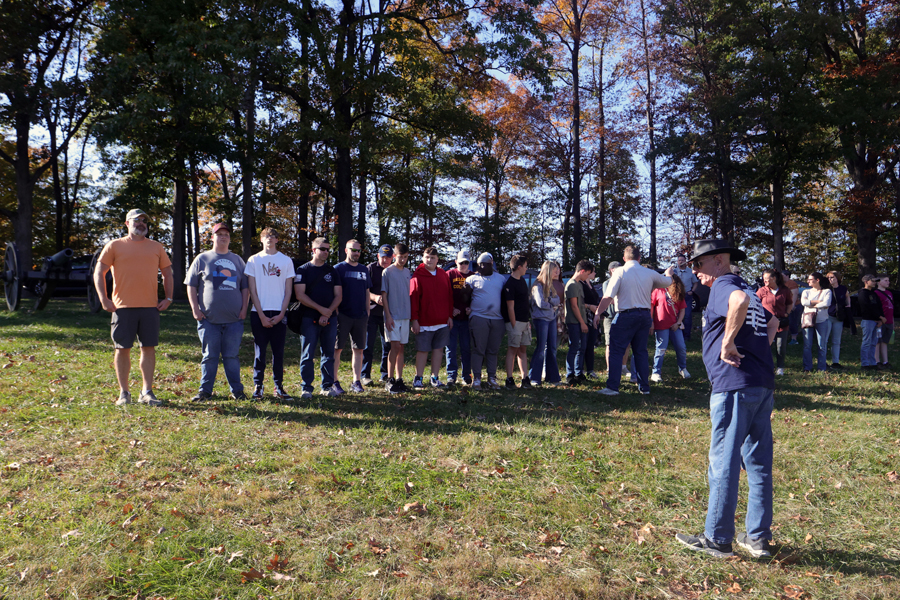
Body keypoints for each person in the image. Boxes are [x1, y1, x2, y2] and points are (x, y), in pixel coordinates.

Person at [675, 239, 777, 560]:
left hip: (734, 386)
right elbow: (772, 322)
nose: (695, 271)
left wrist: (728, 343)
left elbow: (737, 302)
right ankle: (757, 539)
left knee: (724, 462)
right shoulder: (747, 286)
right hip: (761, 385)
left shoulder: (725, 284)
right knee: (758, 465)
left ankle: (717, 539)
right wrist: (757, 350)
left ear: (718, 261)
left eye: (698, 264)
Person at [94, 208, 174, 407]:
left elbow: (168, 274)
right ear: (127, 223)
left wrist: (169, 298)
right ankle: (124, 393)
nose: (141, 223)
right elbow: (99, 272)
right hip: (122, 308)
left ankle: (147, 392)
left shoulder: (156, 247)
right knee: (122, 349)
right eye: (136, 220)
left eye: (144, 221)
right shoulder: (114, 246)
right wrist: (103, 298)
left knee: (148, 348)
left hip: (150, 308)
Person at [595, 245, 672, 396]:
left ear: (624, 258)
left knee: (616, 351)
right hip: (644, 316)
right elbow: (667, 282)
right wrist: (669, 273)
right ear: (639, 258)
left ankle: (612, 387)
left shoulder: (620, 271)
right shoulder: (649, 273)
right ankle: (644, 387)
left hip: (625, 315)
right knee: (641, 352)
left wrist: (598, 312)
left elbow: (608, 296)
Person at [185, 223, 249, 402]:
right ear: (212, 237)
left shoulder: (237, 260)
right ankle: (205, 391)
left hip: (234, 320)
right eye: (219, 234)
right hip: (208, 319)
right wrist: (195, 309)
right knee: (209, 356)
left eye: (226, 234)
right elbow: (191, 285)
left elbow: (245, 287)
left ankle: (237, 391)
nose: (223, 237)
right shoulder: (202, 258)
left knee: (231, 356)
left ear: (229, 238)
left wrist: (244, 308)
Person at [246, 228, 295, 401]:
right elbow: (252, 290)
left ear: (277, 240)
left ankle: (279, 387)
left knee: (278, 352)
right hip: (259, 312)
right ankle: (258, 386)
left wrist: (282, 313)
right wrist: (261, 315)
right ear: (261, 239)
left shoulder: (286, 260)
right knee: (260, 352)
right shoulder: (253, 260)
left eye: (273, 236)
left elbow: (289, 291)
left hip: (279, 312)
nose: (270, 239)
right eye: (267, 236)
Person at [294, 237, 342, 398]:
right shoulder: (303, 270)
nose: (326, 252)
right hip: (308, 318)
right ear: (313, 250)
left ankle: (327, 386)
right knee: (307, 354)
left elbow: (339, 296)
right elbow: (300, 295)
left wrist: (328, 312)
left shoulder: (332, 271)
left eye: (328, 249)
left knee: (328, 353)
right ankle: (306, 387)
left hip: (330, 318)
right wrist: (321, 310)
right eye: (322, 249)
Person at [410, 247, 454, 388]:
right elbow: (414, 299)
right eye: (427, 257)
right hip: (424, 322)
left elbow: (449, 296)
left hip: (442, 321)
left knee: (438, 350)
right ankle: (418, 378)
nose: (429, 260)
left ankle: (434, 377)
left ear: (437, 259)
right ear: (423, 258)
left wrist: (449, 316)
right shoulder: (417, 276)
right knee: (422, 350)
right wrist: (414, 320)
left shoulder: (443, 274)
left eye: (433, 258)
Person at [334, 239, 372, 393]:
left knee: (359, 349)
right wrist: (336, 313)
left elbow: (367, 292)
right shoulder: (338, 269)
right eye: (353, 250)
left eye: (358, 250)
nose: (356, 253)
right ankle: (334, 381)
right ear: (346, 250)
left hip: (360, 316)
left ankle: (356, 381)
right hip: (342, 315)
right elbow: (334, 293)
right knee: (337, 349)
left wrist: (367, 312)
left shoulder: (364, 270)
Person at [466, 253, 505, 390]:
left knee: (493, 350)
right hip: (478, 318)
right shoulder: (471, 279)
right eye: (479, 264)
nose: (481, 267)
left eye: (485, 264)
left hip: (497, 320)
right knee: (478, 349)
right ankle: (476, 378)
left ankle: (492, 378)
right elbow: (464, 297)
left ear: (491, 264)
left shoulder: (501, 279)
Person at [382, 243, 412, 393]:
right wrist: (388, 315)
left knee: (401, 348)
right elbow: (384, 295)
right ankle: (390, 378)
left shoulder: (408, 272)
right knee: (393, 347)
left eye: (405, 257)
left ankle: (399, 379)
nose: (403, 260)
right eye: (400, 257)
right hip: (392, 316)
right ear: (394, 256)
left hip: (405, 316)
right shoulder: (387, 272)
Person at [361, 245, 393, 385]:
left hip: (389, 314)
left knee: (388, 345)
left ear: (393, 258)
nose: (385, 260)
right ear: (378, 256)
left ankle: (385, 374)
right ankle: (365, 375)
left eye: (388, 257)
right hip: (371, 313)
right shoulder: (370, 269)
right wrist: (374, 297)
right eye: (383, 257)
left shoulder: (394, 270)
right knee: (368, 345)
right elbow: (363, 290)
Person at [649, 273, 689, 382]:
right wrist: (651, 322)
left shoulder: (677, 291)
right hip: (661, 325)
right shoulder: (658, 290)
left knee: (681, 347)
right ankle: (656, 372)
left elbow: (682, 309)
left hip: (675, 325)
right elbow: (651, 306)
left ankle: (682, 368)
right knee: (661, 349)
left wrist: (679, 323)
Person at [529, 260, 562, 387]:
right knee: (541, 348)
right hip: (541, 319)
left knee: (552, 348)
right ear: (548, 271)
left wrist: (549, 301)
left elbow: (557, 299)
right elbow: (540, 303)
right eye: (555, 270)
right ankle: (534, 377)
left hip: (551, 318)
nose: (557, 272)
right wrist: (551, 303)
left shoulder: (552, 286)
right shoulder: (538, 285)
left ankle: (552, 377)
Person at [502, 254, 532, 388]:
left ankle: (525, 378)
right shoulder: (510, 284)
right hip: (515, 322)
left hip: (525, 321)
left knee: (523, 350)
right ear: (519, 267)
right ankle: (509, 379)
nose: (526, 269)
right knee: (513, 349)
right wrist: (513, 324)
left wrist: (527, 321)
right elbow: (510, 307)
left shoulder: (522, 281)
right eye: (525, 266)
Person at [445, 250, 474, 385]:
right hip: (452, 318)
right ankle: (451, 375)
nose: (463, 265)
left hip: (466, 319)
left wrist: (471, 308)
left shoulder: (473, 276)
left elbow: (477, 296)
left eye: (466, 263)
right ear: (456, 262)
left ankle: (467, 374)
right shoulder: (450, 274)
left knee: (466, 347)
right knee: (450, 348)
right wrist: (450, 309)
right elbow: (443, 294)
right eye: (461, 262)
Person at [757, 269, 792, 375]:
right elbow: (755, 303)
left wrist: (787, 313)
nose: (765, 281)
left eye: (767, 279)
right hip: (766, 323)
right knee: (766, 345)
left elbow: (789, 303)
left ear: (774, 278)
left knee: (781, 346)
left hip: (781, 322)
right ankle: (765, 366)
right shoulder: (762, 290)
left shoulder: (785, 290)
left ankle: (780, 367)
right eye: (764, 279)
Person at [565, 260, 594, 385]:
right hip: (574, 321)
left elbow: (581, 305)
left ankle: (578, 373)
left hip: (582, 320)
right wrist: (582, 322)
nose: (587, 277)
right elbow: (574, 306)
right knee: (574, 347)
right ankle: (570, 374)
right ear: (582, 271)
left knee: (582, 347)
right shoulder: (571, 285)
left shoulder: (579, 284)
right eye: (587, 274)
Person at [601, 261, 631, 380]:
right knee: (609, 343)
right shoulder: (606, 283)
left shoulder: (625, 281)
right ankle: (609, 368)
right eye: (618, 268)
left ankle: (623, 366)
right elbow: (609, 298)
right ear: (612, 270)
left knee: (626, 343)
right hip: (609, 317)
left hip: (623, 316)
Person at [800, 272, 832, 372]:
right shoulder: (806, 292)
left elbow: (827, 303)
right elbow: (803, 302)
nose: (808, 281)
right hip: (807, 320)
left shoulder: (827, 291)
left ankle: (821, 368)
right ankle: (807, 367)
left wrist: (811, 304)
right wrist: (819, 302)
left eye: (810, 279)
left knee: (822, 345)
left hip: (822, 320)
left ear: (817, 280)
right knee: (807, 345)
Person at [858, 274, 885, 370]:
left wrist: (881, 319)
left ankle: (872, 363)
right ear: (866, 282)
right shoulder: (862, 293)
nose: (874, 283)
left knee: (874, 342)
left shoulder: (874, 294)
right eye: (872, 281)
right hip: (868, 321)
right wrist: (879, 316)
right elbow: (866, 307)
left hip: (876, 322)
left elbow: (879, 306)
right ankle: (865, 364)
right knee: (866, 342)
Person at [825, 271, 851, 369]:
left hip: (839, 317)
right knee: (824, 340)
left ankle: (835, 362)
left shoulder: (843, 288)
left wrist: (848, 305)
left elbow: (847, 296)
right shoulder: (826, 289)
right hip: (827, 316)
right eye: (828, 278)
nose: (830, 279)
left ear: (837, 278)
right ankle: (823, 361)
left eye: (832, 277)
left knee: (836, 340)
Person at [674, 254, 699, 341]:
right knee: (675, 315)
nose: (680, 262)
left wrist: (692, 291)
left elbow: (695, 282)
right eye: (679, 260)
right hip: (676, 296)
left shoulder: (690, 271)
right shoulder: (674, 271)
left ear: (685, 262)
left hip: (687, 296)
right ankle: (675, 336)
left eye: (682, 260)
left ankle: (686, 336)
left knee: (687, 316)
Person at [581, 271, 601, 378]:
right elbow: (578, 302)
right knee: (583, 344)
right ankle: (581, 370)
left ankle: (590, 369)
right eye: (593, 271)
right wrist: (589, 306)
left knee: (591, 344)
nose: (594, 273)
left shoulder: (591, 285)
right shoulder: (581, 285)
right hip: (585, 317)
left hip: (593, 317)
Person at [875, 273, 894, 370]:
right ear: (879, 282)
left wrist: (892, 321)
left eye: (888, 280)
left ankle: (885, 361)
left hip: (889, 321)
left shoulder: (890, 293)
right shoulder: (876, 293)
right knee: (878, 341)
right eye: (885, 280)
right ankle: (877, 361)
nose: (888, 282)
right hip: (880, 321)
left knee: (885, 341)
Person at [783, 270, 801, 345]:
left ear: (787, 276)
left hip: (794, 305)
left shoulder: (792, 283)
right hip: (784, 306)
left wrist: (792, 305)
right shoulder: (781, 284)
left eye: (782, 275)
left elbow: (794, 294)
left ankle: (794, 339)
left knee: (792, 322)